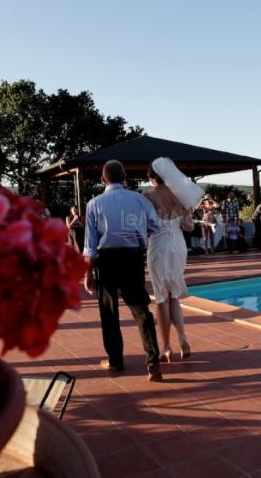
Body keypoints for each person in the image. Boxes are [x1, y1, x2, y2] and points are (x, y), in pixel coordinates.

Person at [83, 160, 163, 381]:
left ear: (102, 179)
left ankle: (115, 361)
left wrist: (87, 274)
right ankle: (153, 362)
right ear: (125, 178)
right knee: (141, 310)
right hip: (132, 258)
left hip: (106, 261)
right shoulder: (139, 200)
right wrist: (137, 233)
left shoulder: (94, 204)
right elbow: (156, 226)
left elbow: (90, 245)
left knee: (109, 314)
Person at [144, 160, 196, 363]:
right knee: (174, 295)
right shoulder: (181, 196)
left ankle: (166, 347)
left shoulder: (147, 197)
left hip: (158, 246)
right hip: (178, 246)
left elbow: (144, 226)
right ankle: (183, 338)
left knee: (160, 298)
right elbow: (189, 227)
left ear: (151, 178)